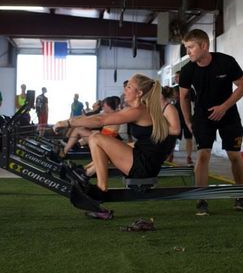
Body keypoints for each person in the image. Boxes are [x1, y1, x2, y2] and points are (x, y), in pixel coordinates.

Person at [53, 74, 180, 219]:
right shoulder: (138, 109)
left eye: (129, 87)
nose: (125, 89)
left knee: (96, 137)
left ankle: (101, 190)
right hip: (143, 159)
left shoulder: (139, 110)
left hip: (144, 166)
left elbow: (101, 120)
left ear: (139, 93)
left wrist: (68, 122)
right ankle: (84, 174)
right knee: (98, 140)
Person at [179, 29, 243, 215]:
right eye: (186, 48)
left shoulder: (226, 62)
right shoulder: (188, 70)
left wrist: (224, 107)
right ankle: (201, 199)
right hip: (203, 117)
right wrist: (187, 120)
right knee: (203, 156)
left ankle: (240, 196)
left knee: (234, 156)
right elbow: (183, 97)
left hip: (228, 114)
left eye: (191, 47)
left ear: (203, 45)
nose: (188, 52)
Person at [173, 72, 194, 165]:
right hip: (176, 117)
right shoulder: (174, 89)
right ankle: (170, 154)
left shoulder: (190, 90)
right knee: (173, 137)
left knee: (188, 138)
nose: (175, 78)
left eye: (177, 77)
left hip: (188, 117)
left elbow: (194, 103)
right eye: (175, 77)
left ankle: (189, 157)